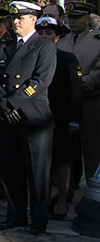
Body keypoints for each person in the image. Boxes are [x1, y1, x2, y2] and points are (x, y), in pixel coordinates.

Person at [0, 1, 56, 235]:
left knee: (37, 173)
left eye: (21, 18)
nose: (15, 22)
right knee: (11, 170)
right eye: (14, 18)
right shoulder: (4, 45)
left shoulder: (44, 47)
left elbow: (39, 81)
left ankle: (38, 218)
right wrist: (3, 105)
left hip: (33, 119)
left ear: (33, 20)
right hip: (7, 118)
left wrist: (12, 102)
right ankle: (15, 215)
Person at [36, 16, 81, 220]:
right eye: (41, 33)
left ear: (57, 37)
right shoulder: (32, 56)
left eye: (49, 33)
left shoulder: (66, 58)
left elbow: (75, 92)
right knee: (40, 163)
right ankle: (41, 201)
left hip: (60, 117)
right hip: (37, 116)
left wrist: (74, 120)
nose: (44, 36)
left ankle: (62, 199)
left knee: (61, 161)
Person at [58, 1, 100, 184]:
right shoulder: (62, 42)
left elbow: (96, 75)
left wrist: (75, 85)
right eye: (70, 17)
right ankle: (66, 190)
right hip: (65, 104)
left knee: (92, 150)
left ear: (88, 19)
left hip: (89, 103)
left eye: (77, 17)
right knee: (66, 152)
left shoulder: (96, 43)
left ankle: (93, 188)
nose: (72, 21)